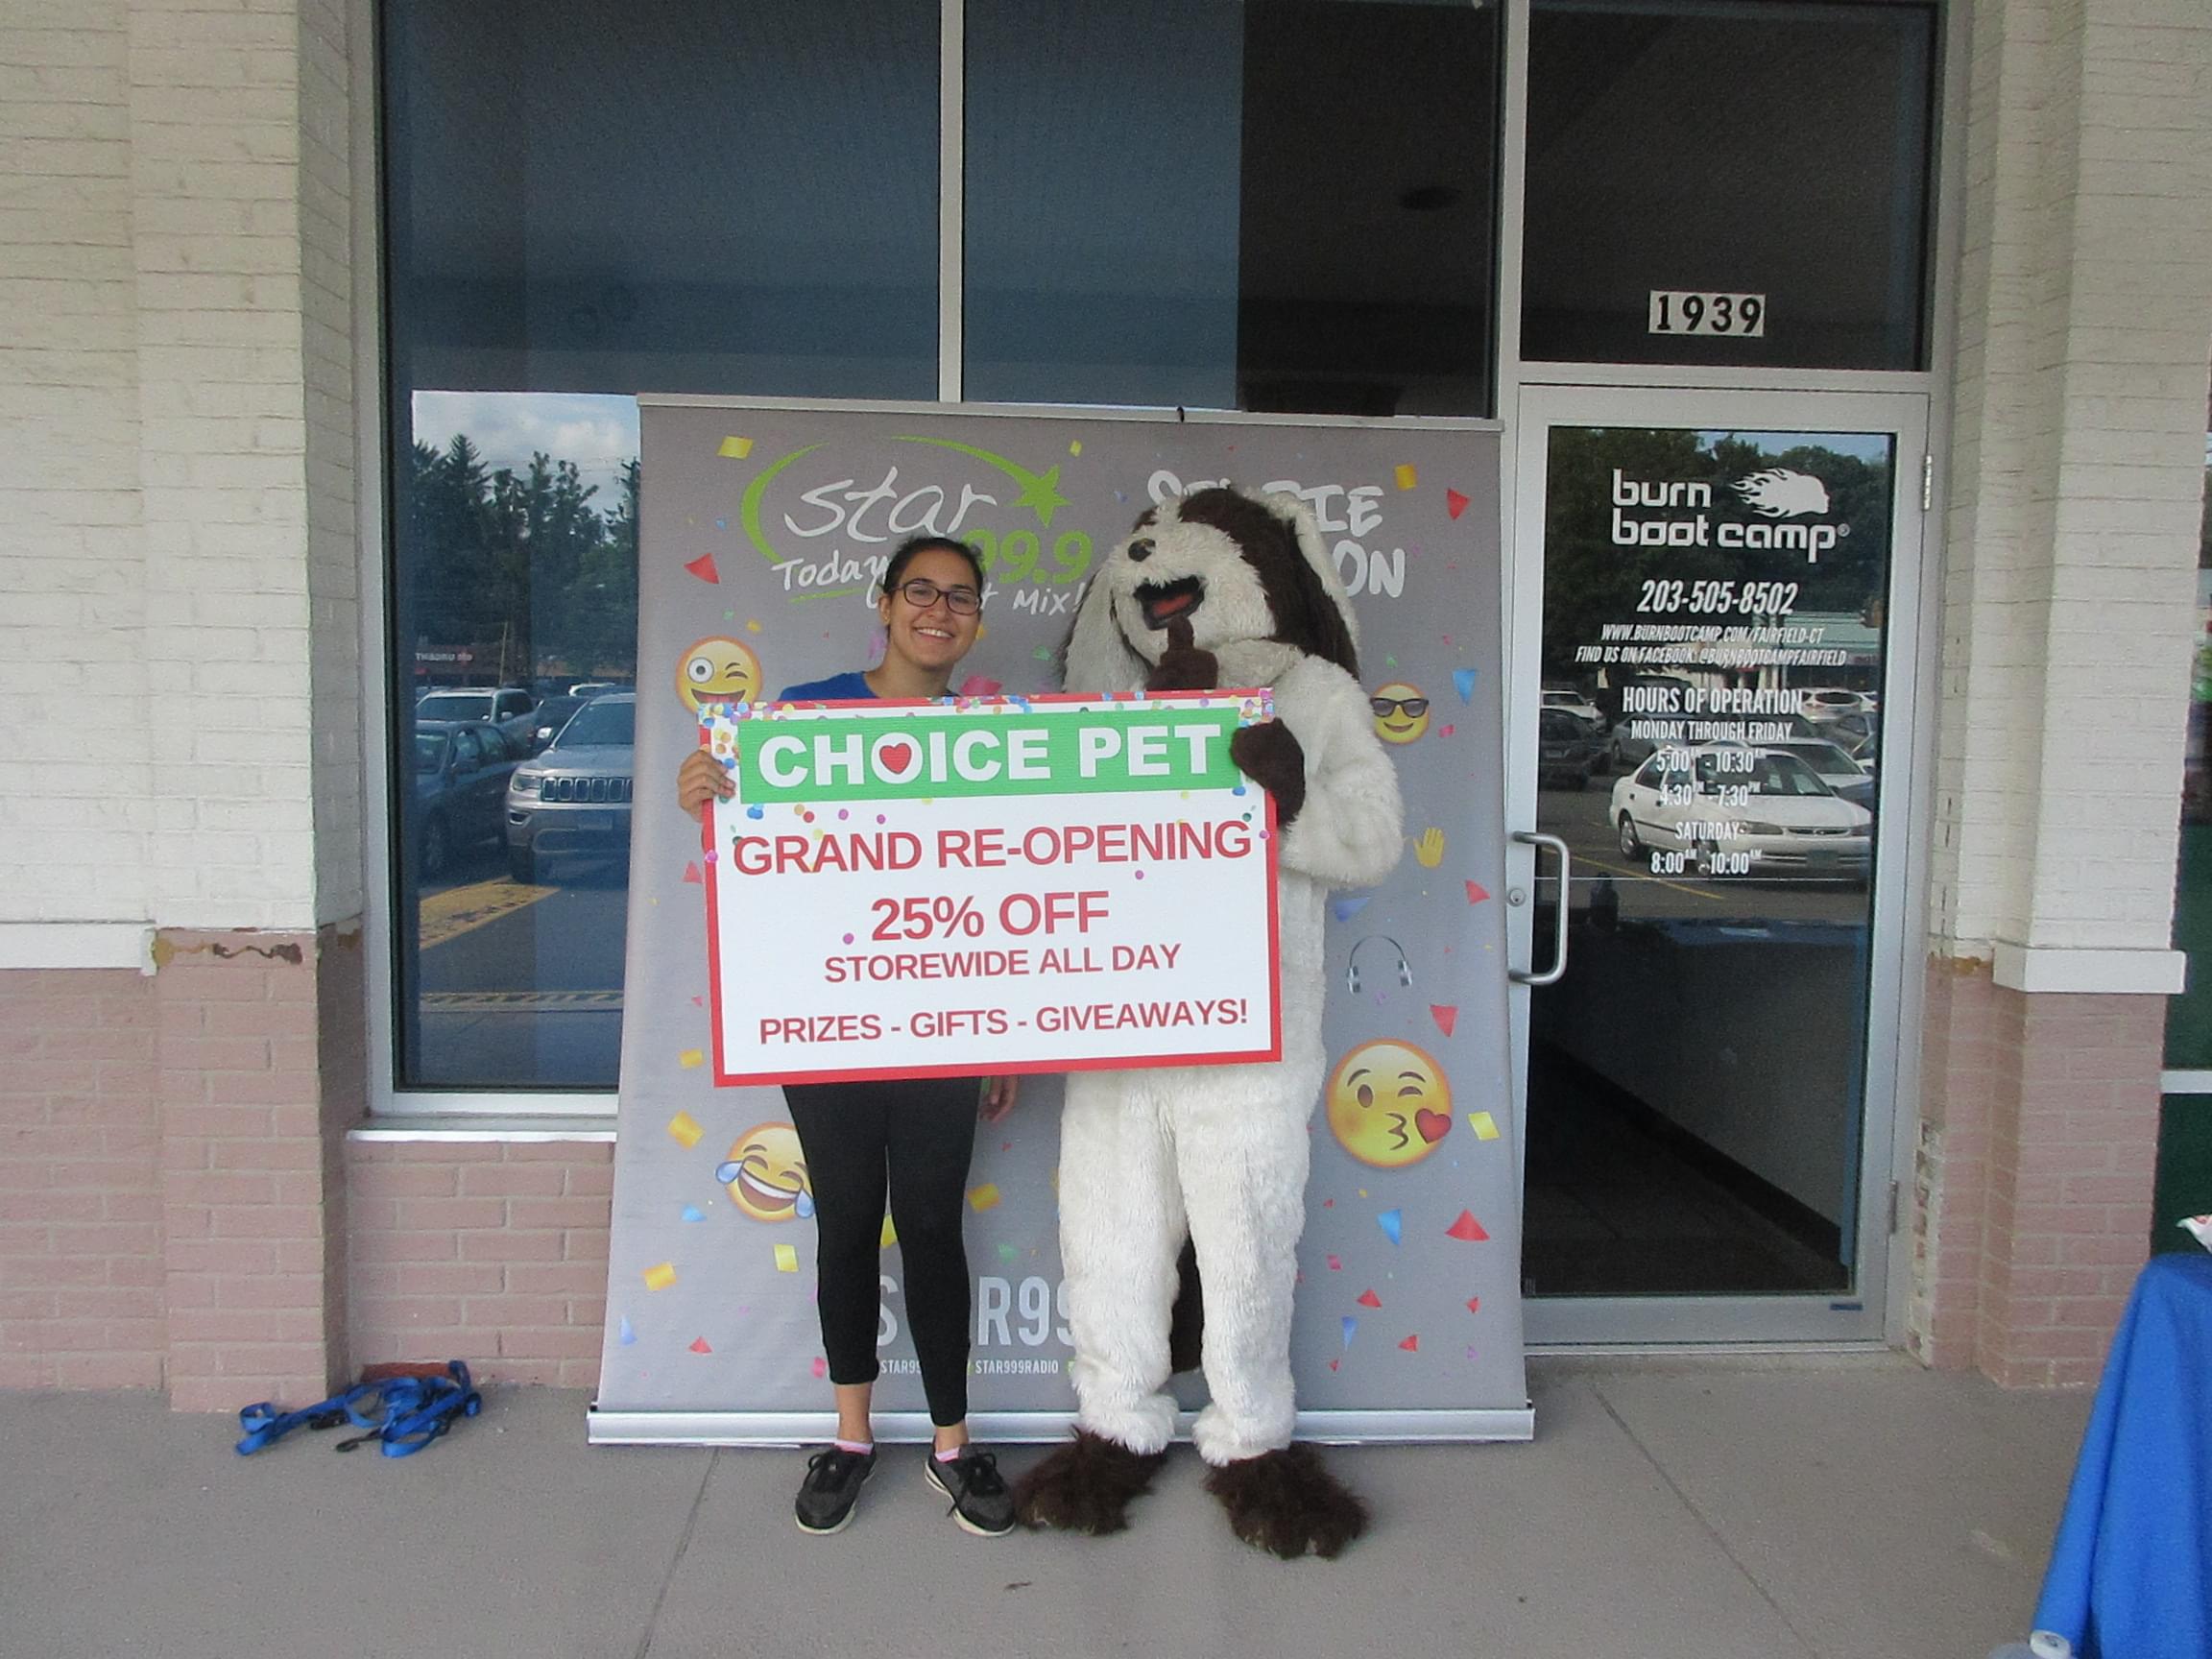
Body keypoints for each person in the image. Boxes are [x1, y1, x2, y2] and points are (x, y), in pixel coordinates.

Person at [679, 535, 1020, 1538]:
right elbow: (762, 850)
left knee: (932, 1229)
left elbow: (1015, 880)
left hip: (947, 1026)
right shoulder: (804, 715)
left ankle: (953, 1446)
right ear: (884, 602)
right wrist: (708, 793)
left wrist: (1009, 1033)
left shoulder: (995, 733)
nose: (939, 610)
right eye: (922, 591)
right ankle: (853, 1437)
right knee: (846, 1225)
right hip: (827, 1024)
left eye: (960, 597)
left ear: (977, 620)